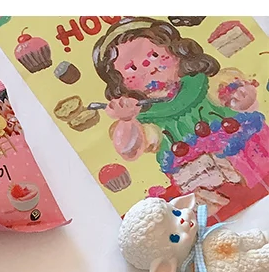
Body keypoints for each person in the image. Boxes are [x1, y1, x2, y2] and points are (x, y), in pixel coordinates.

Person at [93, 17, 269, 210]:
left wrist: (243, 97)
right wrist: (126, 119)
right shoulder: (146, 119)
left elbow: (244, 100)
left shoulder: (204, 83)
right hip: (206, 184)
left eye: (154, 55)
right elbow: (130, 149)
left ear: (177, 52)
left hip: (254, 155)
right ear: (120, 83)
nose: (151, 68)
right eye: (133, 68)